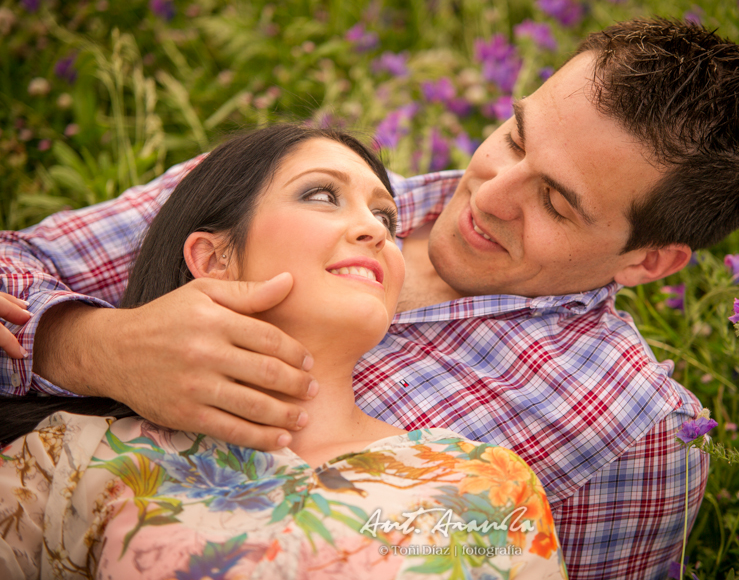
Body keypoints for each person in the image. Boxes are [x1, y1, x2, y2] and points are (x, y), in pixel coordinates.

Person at [0, 18, 739, 579]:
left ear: (650, 260)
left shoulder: (634, 436)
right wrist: (93, 346)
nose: (489, 191)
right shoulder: (291, 187)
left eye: (556, 201)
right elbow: (17, 263)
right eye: (514, 137)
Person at [0, 124, 567, 580]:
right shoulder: (79, 456)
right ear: (214, 259)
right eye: (323, 195)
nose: (373, 230)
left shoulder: (486, 482)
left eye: (385, 218)